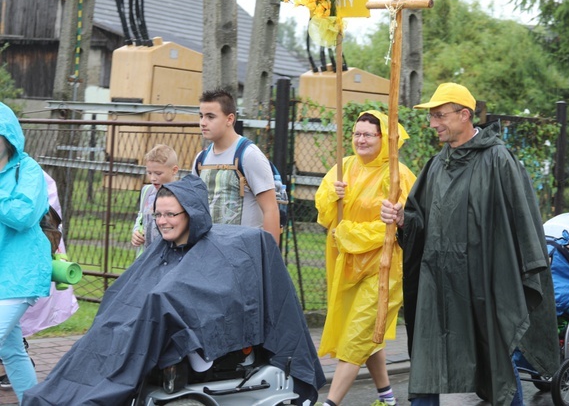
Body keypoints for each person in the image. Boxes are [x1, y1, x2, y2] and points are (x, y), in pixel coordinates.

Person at [23, 175, 325, 405]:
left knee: (126, 343)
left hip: (178, 334)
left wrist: (159, 302)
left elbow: (201, 297)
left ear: (190, 214)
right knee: (98, 342)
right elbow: (127, 291)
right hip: (129, 329)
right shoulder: (163, 249)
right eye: (159, 215)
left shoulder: (219, 251)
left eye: (171, 215)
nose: (163, 222)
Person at [380, 83, 559, 405]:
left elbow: (522, 222)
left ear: (465, 115)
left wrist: (520, 274)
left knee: (495, 360)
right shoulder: (436, 165)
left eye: (440, 115)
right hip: (437, 284)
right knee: (426, 362)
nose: (433, 123)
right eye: (432, 116)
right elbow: (419, 217)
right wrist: (403, 220)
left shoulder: (499, 160)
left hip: (483, 285)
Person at [315, 111, 416, 406]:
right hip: (347, 267)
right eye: (356, 133)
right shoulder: (343, 167)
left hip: (383, 270)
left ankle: (330, 402)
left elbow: (394, 227)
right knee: (368, 334)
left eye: (368, 134)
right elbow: (324, 216)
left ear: (384, 139)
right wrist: (332, 196)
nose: (360, 139)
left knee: (356, 335)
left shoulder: (397, 175)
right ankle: (387, 398)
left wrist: (348, 234)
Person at [0, 101, 52, 404]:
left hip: (20, 274)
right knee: (11, 350)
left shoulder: (28, 169)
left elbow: (24, 215)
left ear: (8, 136)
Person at [192, 88, 280, 243]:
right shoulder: (201, 159)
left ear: (230, 119)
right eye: (201, 116)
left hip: (244, 255)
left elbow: (270, 209)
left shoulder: (249, 155)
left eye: (210, 117)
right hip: (208, 253)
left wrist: (270, 260)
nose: (203, 123)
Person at [131, 144, 179, 253]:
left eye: (158, 173)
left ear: (174, 170)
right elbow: (141, 217)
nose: (153, 178)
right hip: (146, 256)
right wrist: (136, 233)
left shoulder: (180, 195)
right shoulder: (147, 191)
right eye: (149, 173)